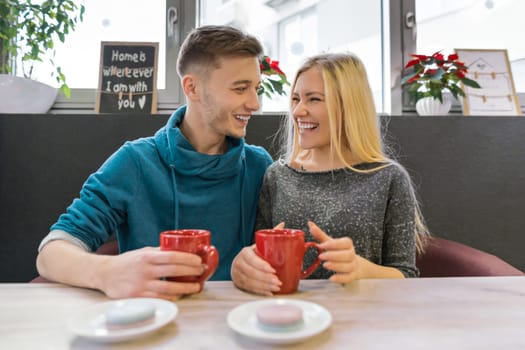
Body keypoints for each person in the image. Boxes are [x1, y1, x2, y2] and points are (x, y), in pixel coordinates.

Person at [36, 25, 273, 300]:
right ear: (192, 87)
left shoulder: (258, 165)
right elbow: (52, 251)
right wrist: (106, 272)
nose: (255, 103)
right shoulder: (135, 162)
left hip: (237, 324)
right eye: (240, 88)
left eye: (256, 88)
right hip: (154, 321)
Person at [231, 53, 428, 296]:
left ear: (349, 107)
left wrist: (362, 270)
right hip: (288, 316)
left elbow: (405, 275)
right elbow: (258, 258)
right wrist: (246, 266)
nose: (298, 111)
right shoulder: (277, 176)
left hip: (361, 317)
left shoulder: (389, 179)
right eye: (295, 99)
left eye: (313, 99)